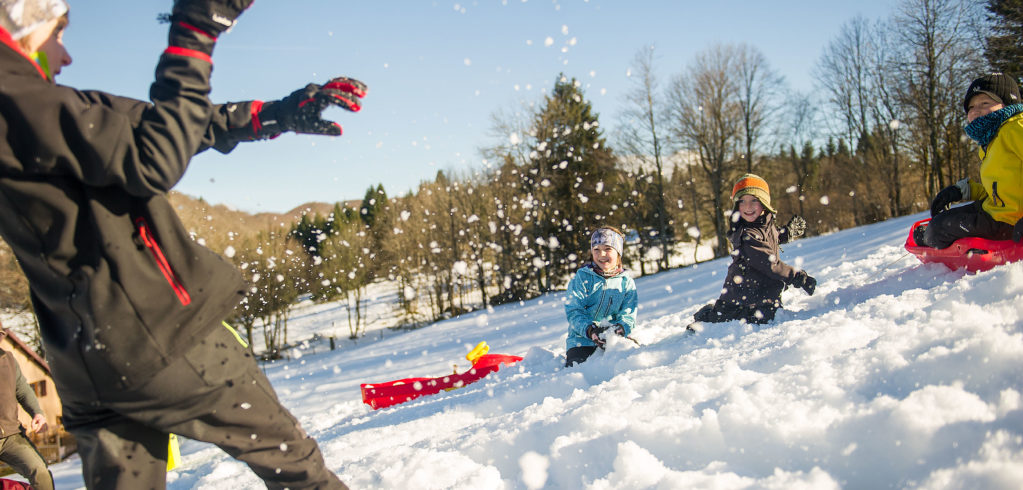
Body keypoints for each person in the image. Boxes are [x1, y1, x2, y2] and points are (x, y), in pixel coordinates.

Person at [0, 1, 367, 488]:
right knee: (297, 467)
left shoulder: (34, 111)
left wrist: (271, 115)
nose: (64, 55)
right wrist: (193, 33)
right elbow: (157, 156)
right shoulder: (18, 100)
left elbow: (161, 126)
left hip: (85, 366)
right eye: (56, 34)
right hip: (156, 340)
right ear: (19, 24)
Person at [692, 174, 816, 326]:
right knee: (762, 317)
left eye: (754, 200)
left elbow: (771, 237)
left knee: (770, 312)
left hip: (761, 293)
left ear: (764, 203)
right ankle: (707, 319)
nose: (748, 207)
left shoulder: (765, 223)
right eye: (742, 201)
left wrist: (787, 232)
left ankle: (718, 312)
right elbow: (771, 265)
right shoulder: (747, 235)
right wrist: (797, 277)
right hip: (743, 299)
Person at [922, 73, 1023, 249]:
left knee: (939, 229)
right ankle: (930, 235)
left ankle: (933, 237)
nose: (975, 111)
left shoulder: (1016, 127)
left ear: (1009, 104)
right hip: (997, 211)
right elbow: (1002, 189)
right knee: (939, 222)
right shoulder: (992, 140)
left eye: (985, 103)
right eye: (970, 107)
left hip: (1010, 220)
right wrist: (962, 191)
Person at [564, 227, 638, 367]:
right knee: (579, 371)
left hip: (613, 339)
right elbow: (574, 311)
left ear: (618, 252)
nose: (601, 254)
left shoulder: (625, 282)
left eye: (608, 248)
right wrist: (591, 330)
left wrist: (620, 328)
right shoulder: (582, 277)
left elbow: (628, 314)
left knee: (632, 363)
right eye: (596, 249)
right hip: (581, 341)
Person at [0, 329, 52, 490]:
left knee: (41, 472)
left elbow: (22, 390)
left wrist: (37, 413)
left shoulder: (8, 359)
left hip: (10, 435)